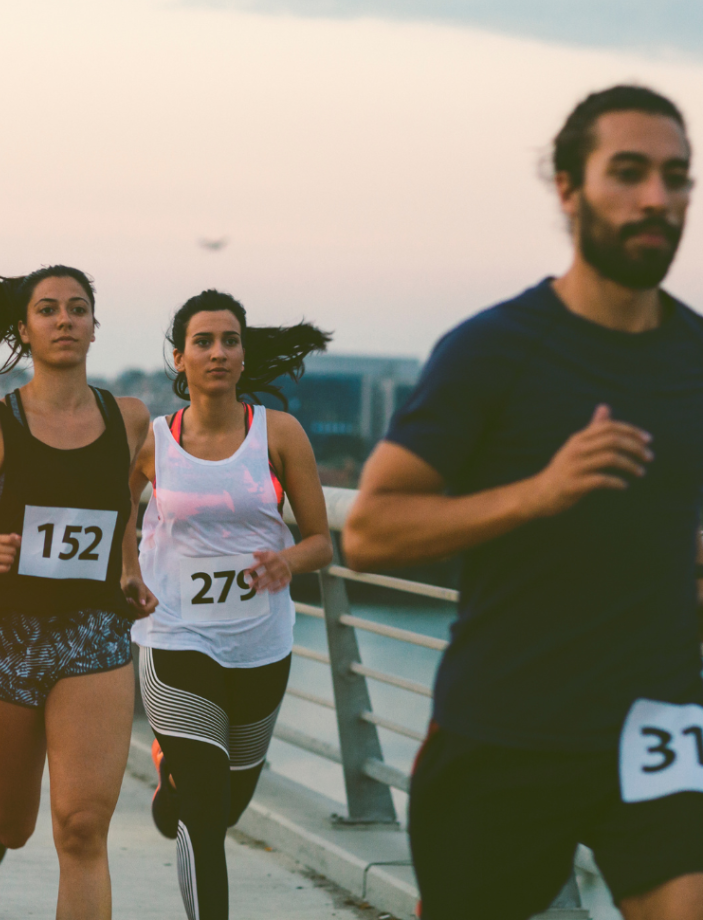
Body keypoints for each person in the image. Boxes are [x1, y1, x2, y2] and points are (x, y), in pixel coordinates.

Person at [342, 85, 703, 920]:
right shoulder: (493, 350)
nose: (657, 197)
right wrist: (539, 494)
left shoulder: (694, 358)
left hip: (657, 727)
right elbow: (369, 530)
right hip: (505, 734)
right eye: (629, 173)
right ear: (569, 188)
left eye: (677, 177)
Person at [0, 261, 156, 918]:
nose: (65, 319)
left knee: (82, 828)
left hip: (92, 634)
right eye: (49, 309)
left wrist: (128, 566)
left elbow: (122, 504)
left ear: (94, 326)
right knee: (16, 825)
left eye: (78, 308)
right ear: (25, 331)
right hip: (2, 638)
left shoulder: (131, 419)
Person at [128, 289, 333, 920]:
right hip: (175, 636)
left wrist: (287, 560)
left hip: (260, 643)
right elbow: (111, 515)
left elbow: (322, 541)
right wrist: (120, 575)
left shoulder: (280, 434)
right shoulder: (153, 441)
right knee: (206, 809)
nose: (218, 352)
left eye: (230, 340)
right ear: (179, 358)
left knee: (228, 802)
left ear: (244, 355)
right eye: (203, 342)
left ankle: (172, 786)